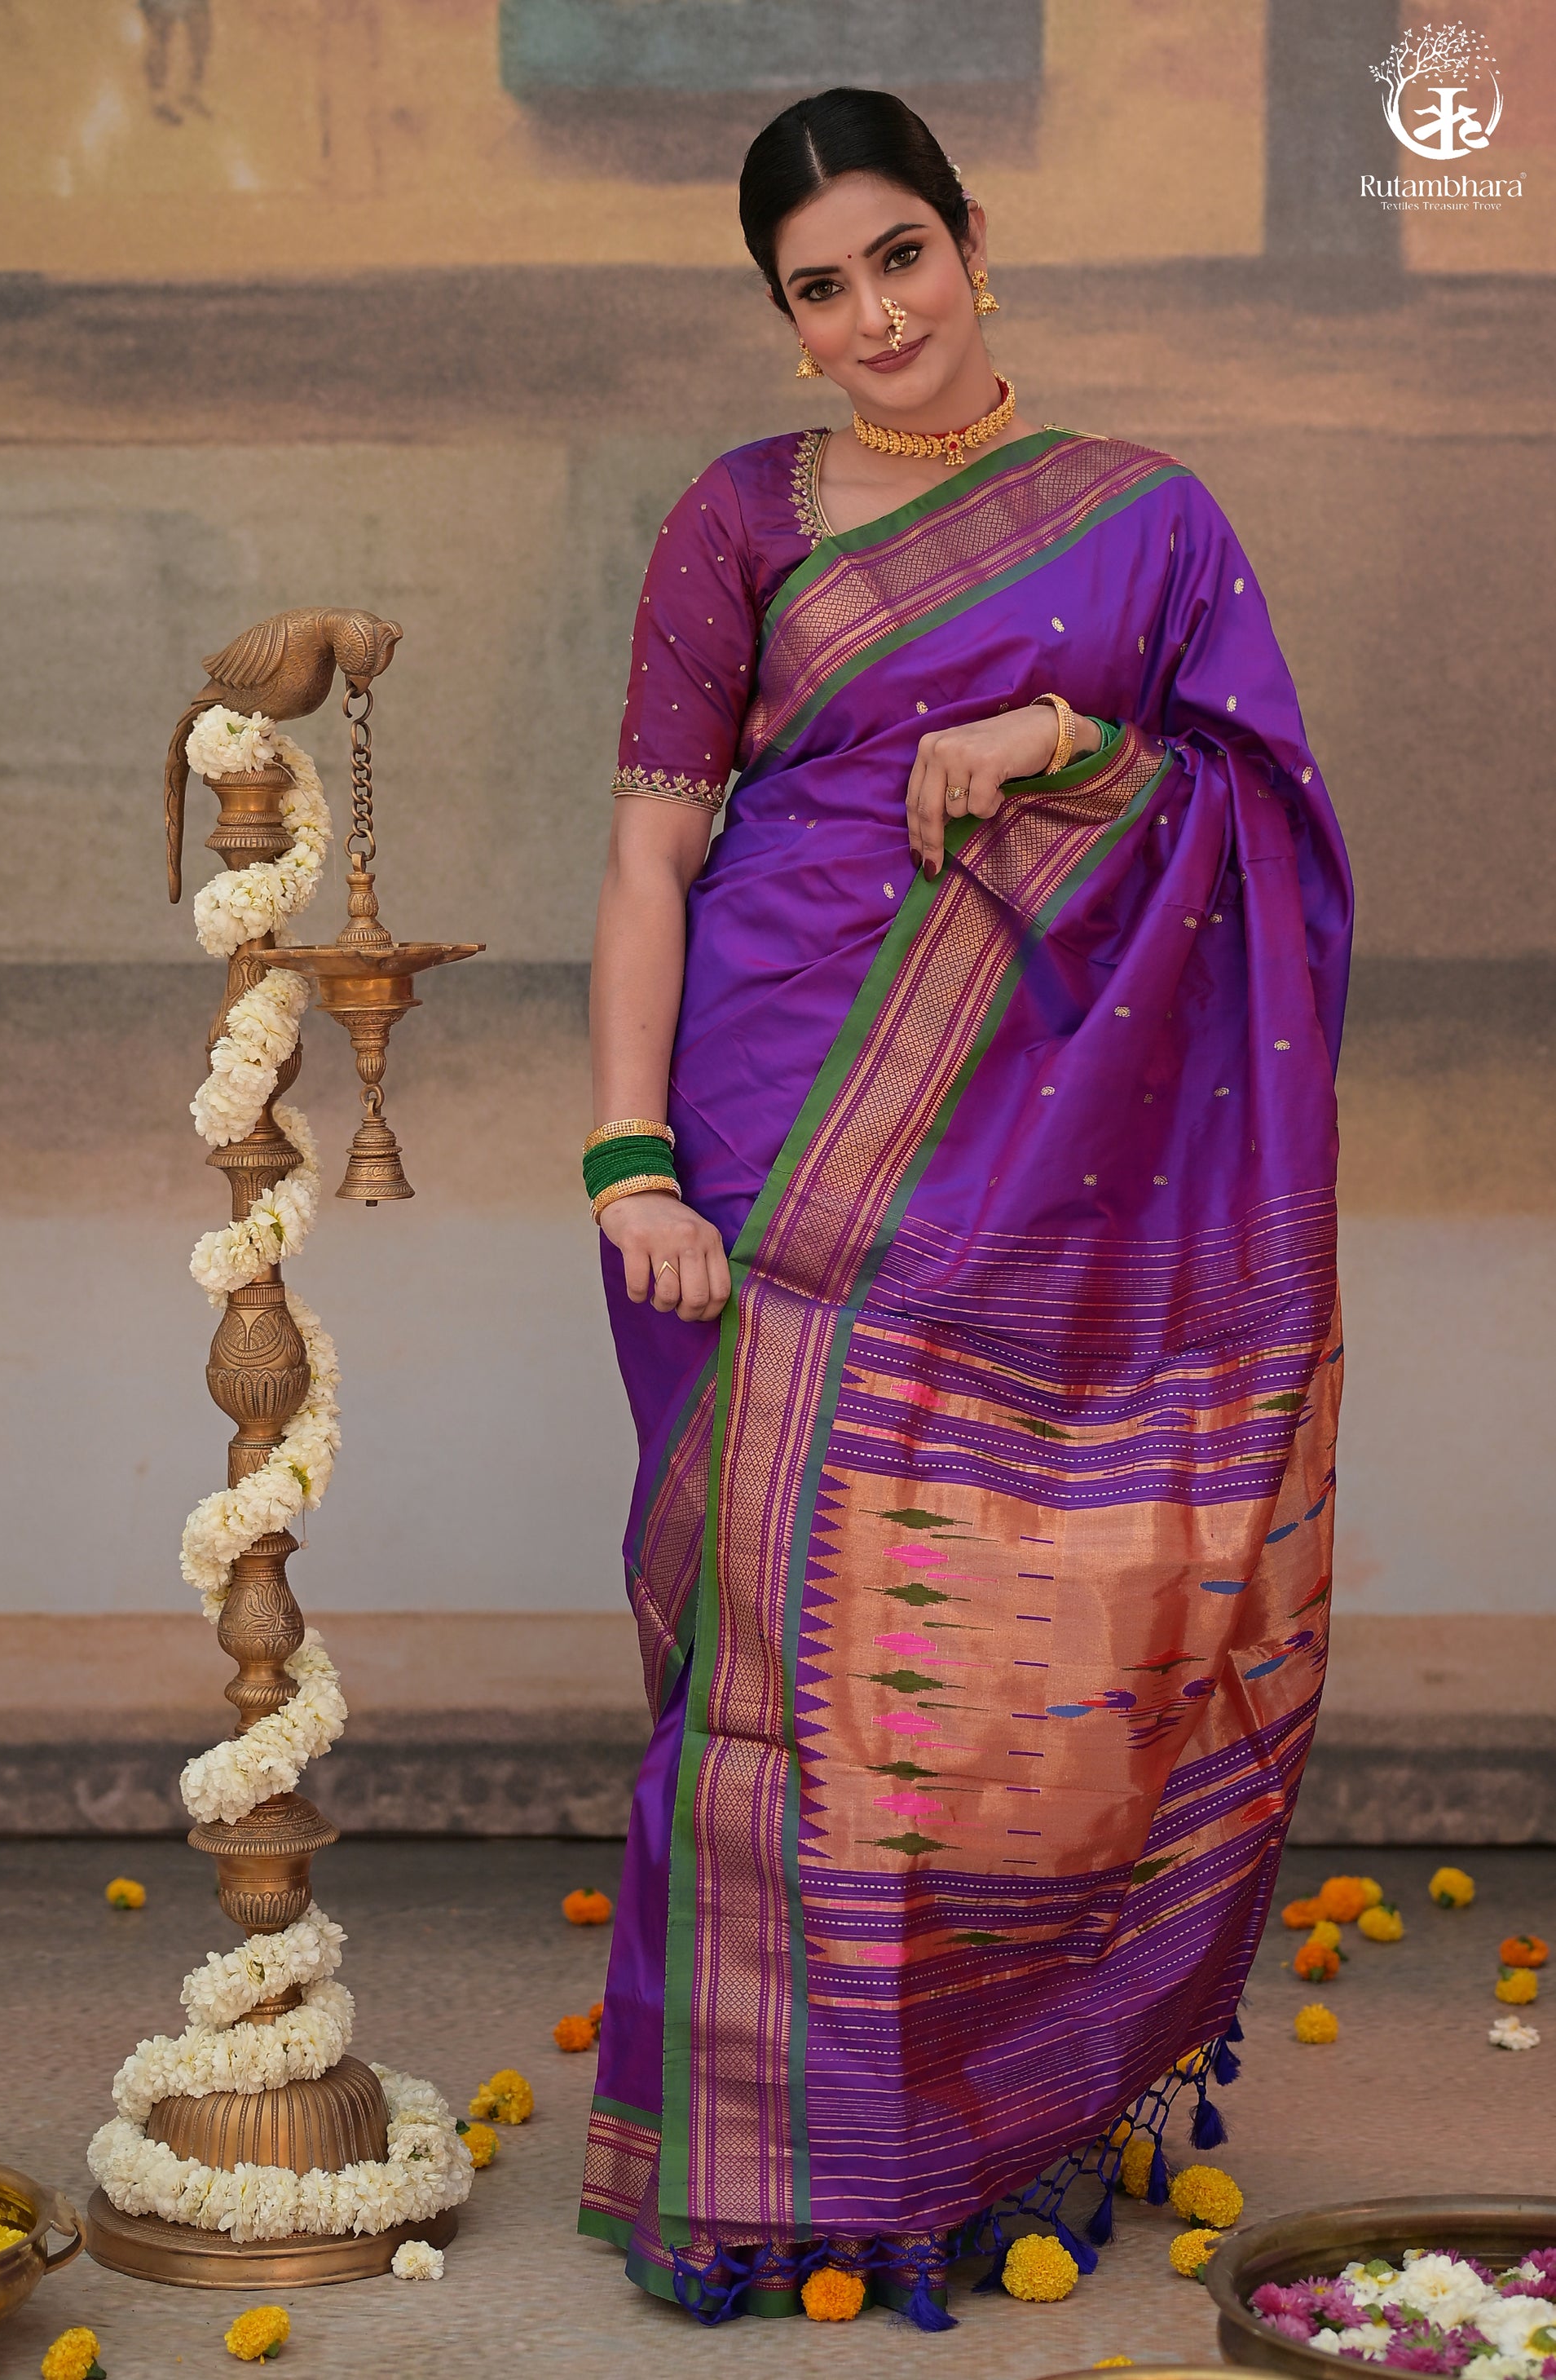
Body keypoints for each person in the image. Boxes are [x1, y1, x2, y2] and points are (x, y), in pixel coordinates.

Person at [579, 86, 1351, 2326]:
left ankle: (977, 2124)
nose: (873, 317)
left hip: (1041, 1134)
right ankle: (767, 2168)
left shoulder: (1147, 519)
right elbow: (651, 849)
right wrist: (628, 1150)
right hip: (761, 1116)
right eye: (817, 289)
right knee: (775, 1657)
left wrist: (1062, 745)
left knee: (999, 1631)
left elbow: (1260, 819)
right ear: (784, 315)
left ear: (973, 240)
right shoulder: (738, 517)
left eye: (898, 255)